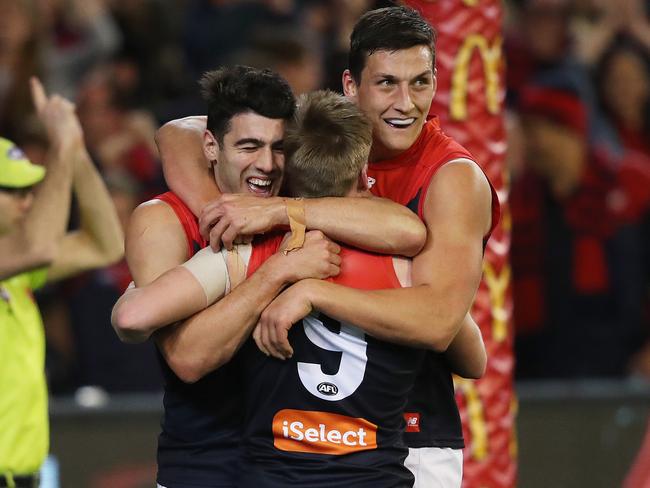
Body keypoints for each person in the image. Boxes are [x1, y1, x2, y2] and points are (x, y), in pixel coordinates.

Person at [160, 7, 498, 487]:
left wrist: (294, 245)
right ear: (350, 85)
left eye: (420, 83)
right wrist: (226, 215)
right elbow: (179, 133)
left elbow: (443, 325)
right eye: (386, 84)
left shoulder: (452, 178)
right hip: (293, 439)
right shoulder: (319, 139)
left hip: (410, 439)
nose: (406, 103)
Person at [118, 65, 426, 488]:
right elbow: (186, 359)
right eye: (248, 146)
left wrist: (279, 216)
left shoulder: (290, 210)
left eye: (278, 148)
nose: (266, 164)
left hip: (287, 469)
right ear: (210, 146)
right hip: (203, 467)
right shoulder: (164, 221)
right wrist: (276, 271)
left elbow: (408, 230)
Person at [0, 78, 123, 488]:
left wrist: (76, 149)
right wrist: (59, 147)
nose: (28, 200)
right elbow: (38, 246)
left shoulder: (15, 274)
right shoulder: (24, 258)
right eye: (13, 190)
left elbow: (105, 244)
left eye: (30, 189)